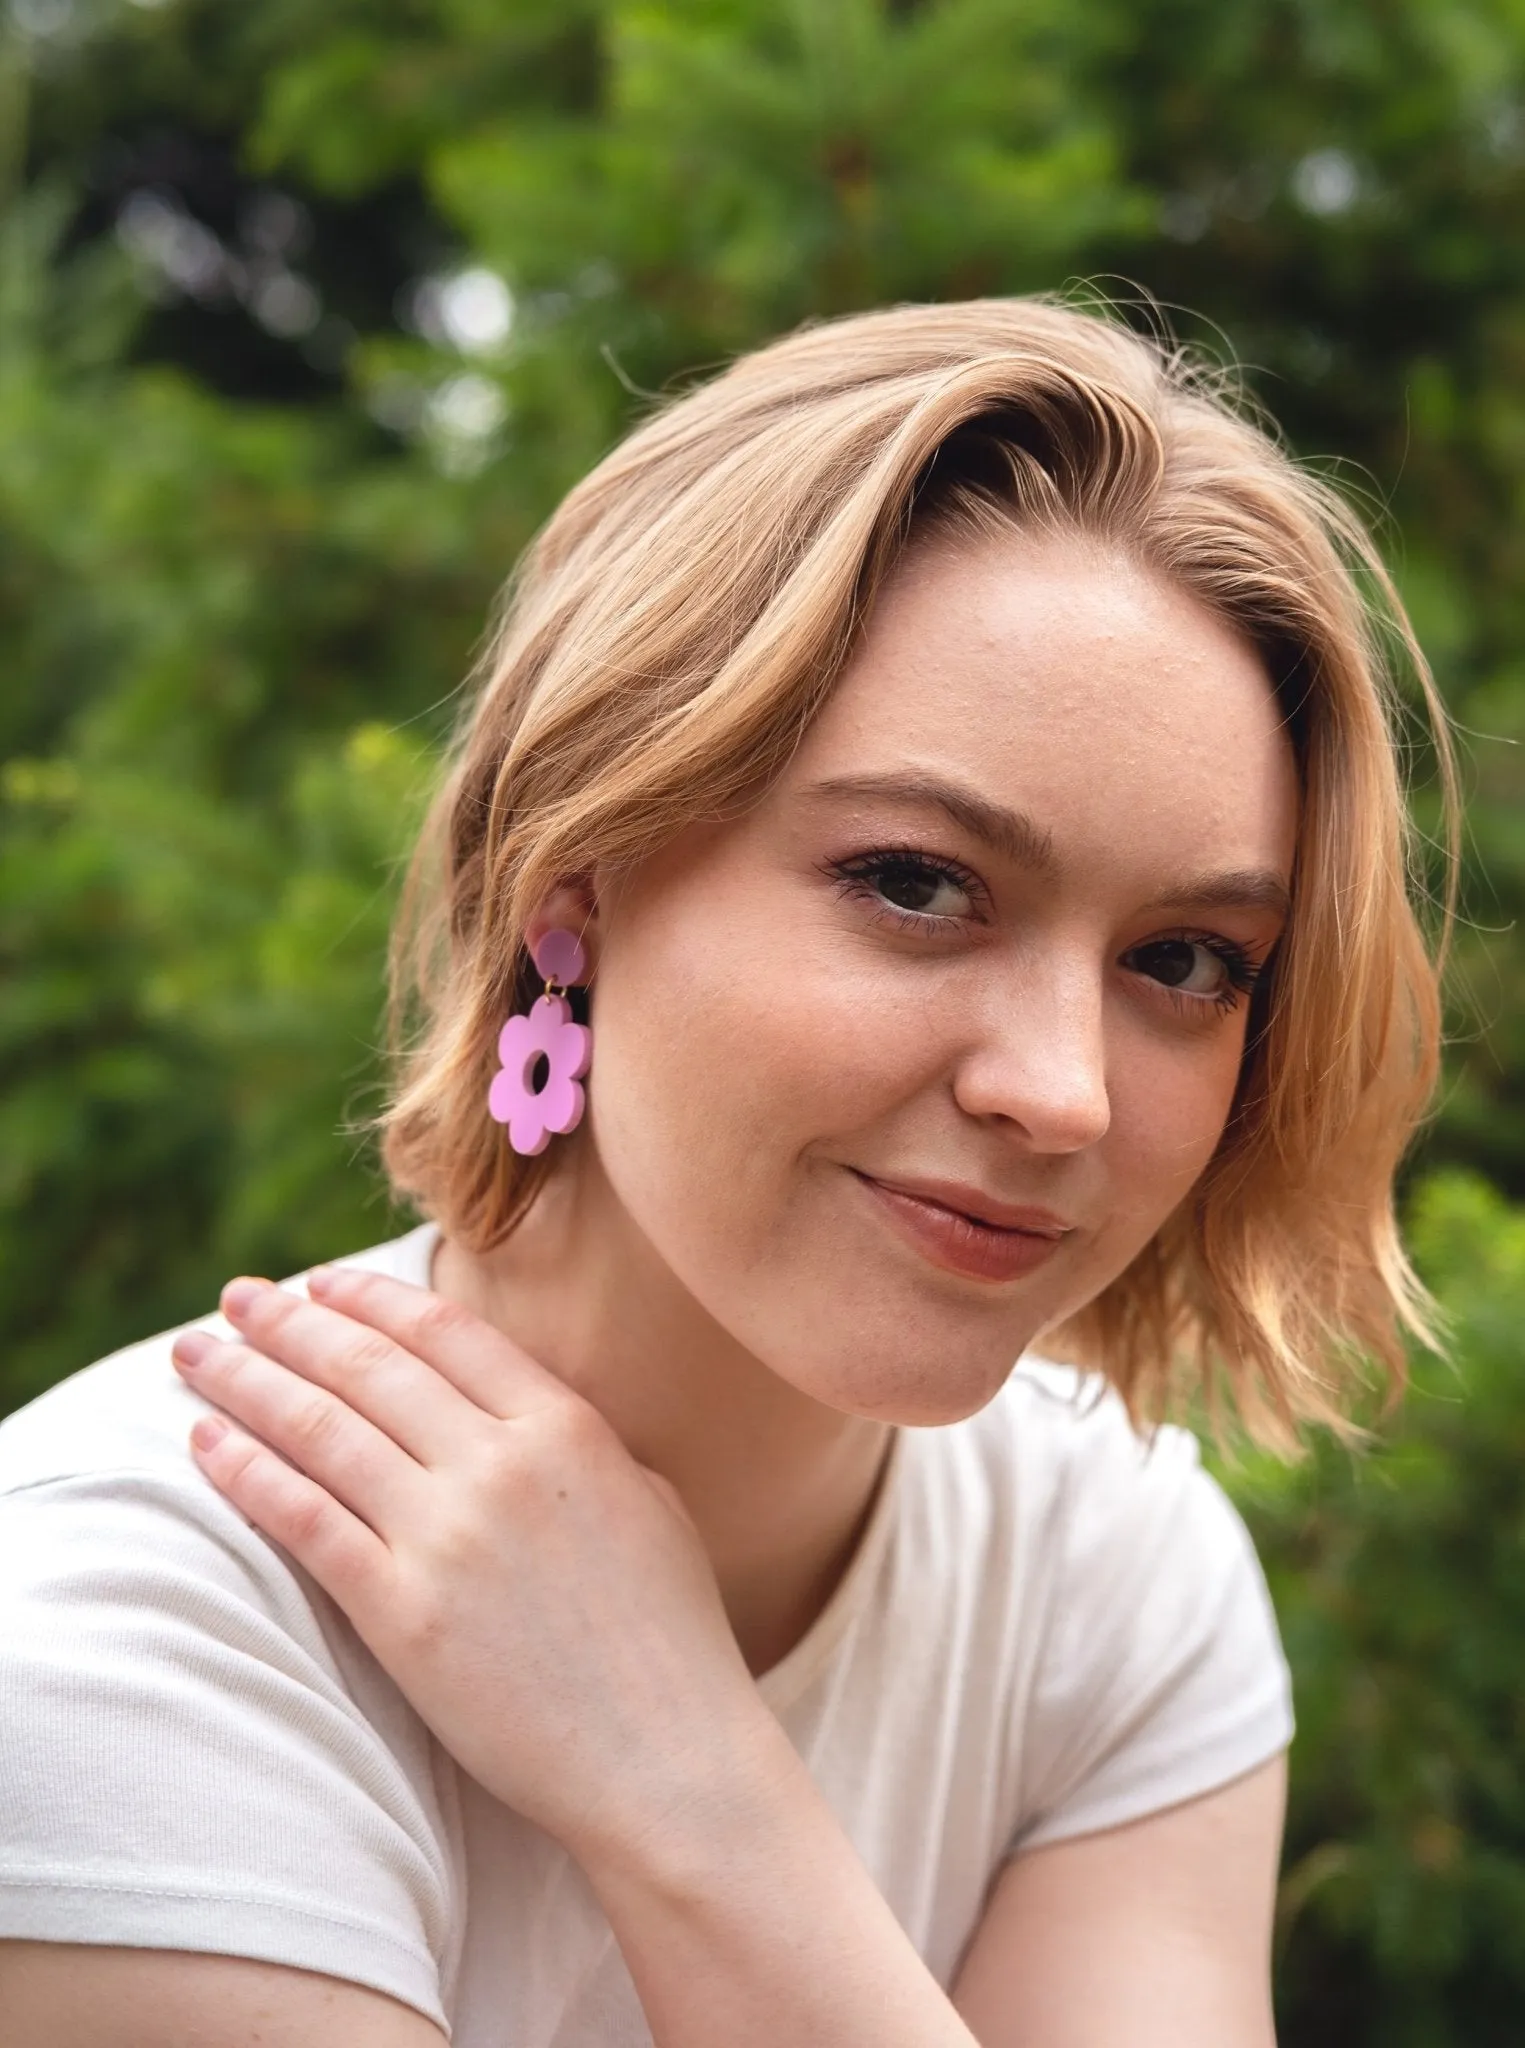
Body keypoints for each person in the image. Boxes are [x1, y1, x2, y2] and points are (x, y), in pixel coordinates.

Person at [0, 296, 1453, 2048]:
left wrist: (689, 1791)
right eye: (919, 884)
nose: (1063, 1093)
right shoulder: (118, 1637)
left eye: (1187, 962)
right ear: (574, 878)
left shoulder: (1108, 1570)